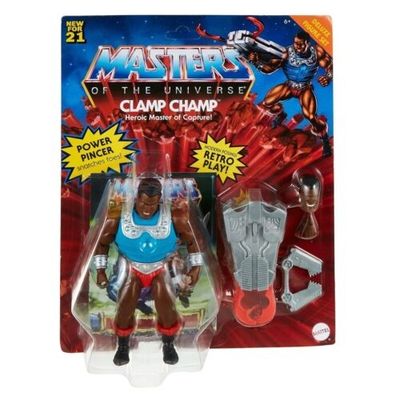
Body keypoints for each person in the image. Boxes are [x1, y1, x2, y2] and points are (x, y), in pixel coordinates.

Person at [93, 177, 203, 366]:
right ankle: (123, 345)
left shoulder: (174, 216)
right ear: (137, 198)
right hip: (131, 267)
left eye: (152, 204)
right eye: (144, 203)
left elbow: (193, 241)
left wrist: (196, 268)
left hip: (161, 267)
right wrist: (100, 270)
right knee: (125, 305)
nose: (147, 208)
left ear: (159, 200)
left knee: (166, 304)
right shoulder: (118, 216)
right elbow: (102, 243)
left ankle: (168, 344)